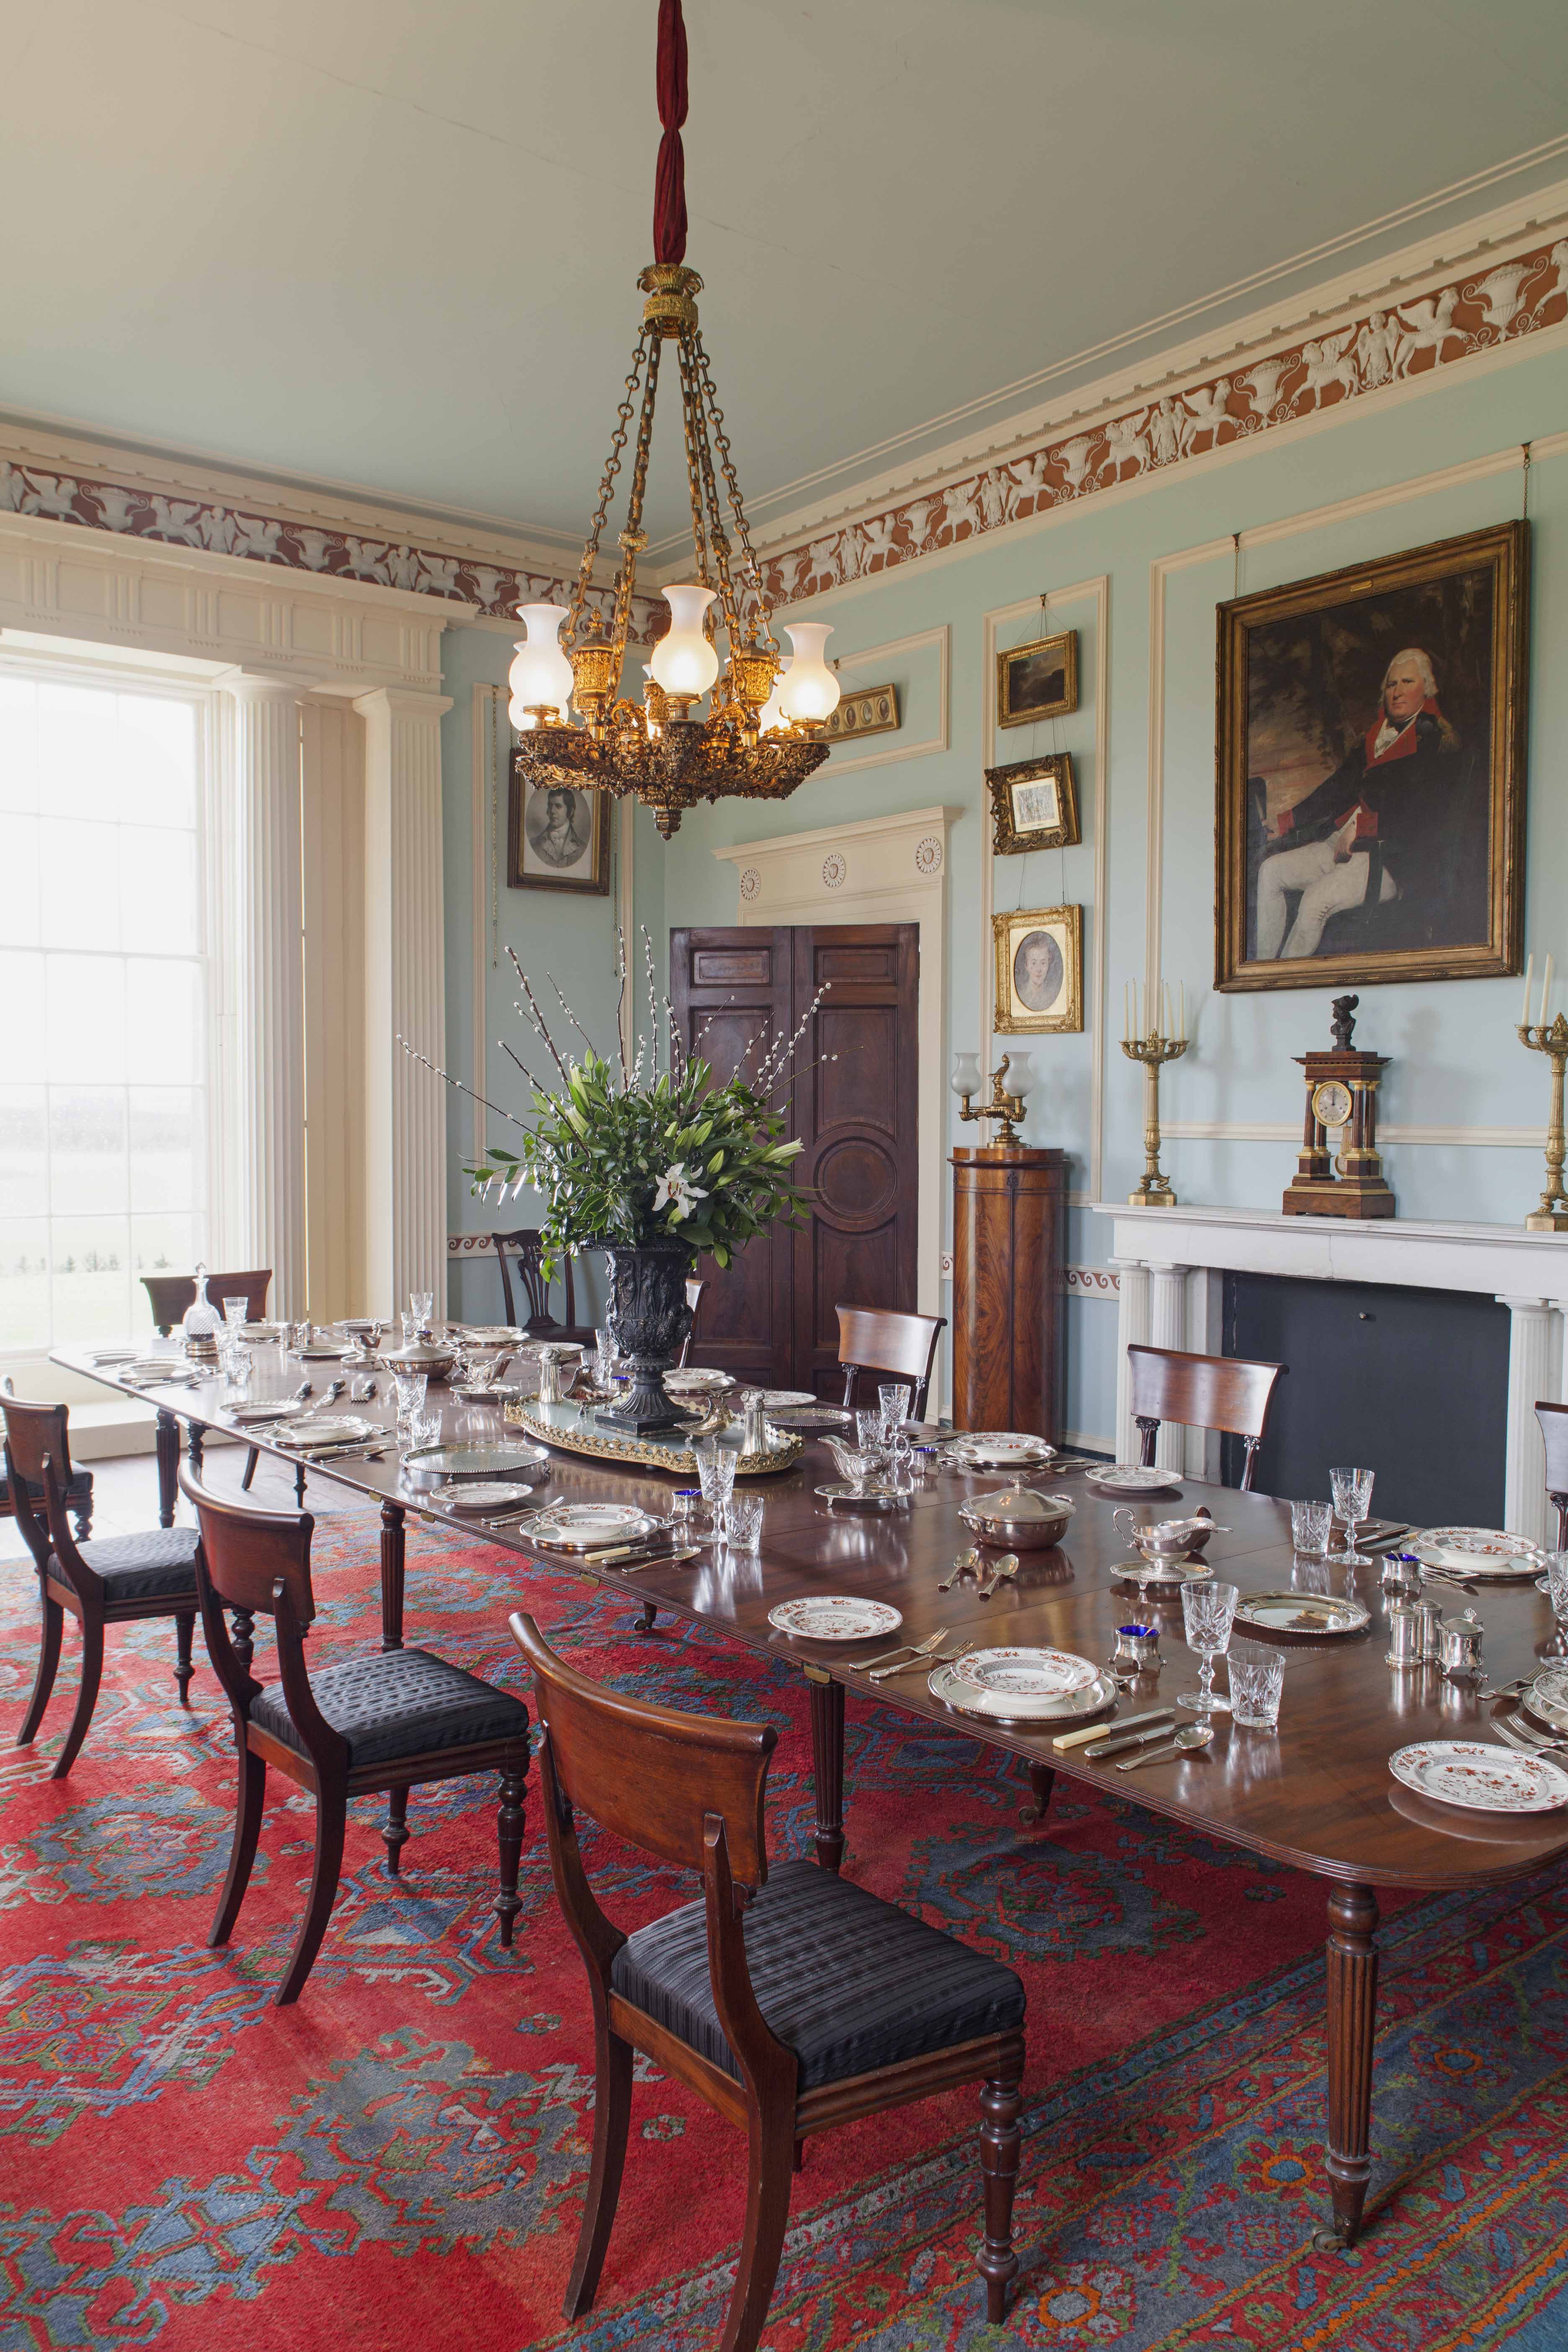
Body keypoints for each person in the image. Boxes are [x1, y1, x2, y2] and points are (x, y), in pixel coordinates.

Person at [1253, 647, 1460, 961]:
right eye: (1392, 685)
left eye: (1408, 682)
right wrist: (1286, 822)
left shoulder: (1433, 739)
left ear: (1426, 689)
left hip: (1388, 859)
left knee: (1314, 901)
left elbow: (1420, 814)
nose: (1398, 692)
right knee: (1271, 871)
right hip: (1340, 846)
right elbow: (1337, 788)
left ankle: (1283, 981)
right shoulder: (1375, 737)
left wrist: (1363, 830)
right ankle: (1263, 971)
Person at [528, 786, 589, 870]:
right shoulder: (534, 844)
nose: (552, 811)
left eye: (558, 806)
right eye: (550, 806)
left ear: (570, 812)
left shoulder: (582, 849)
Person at [1013, 929, 1063, 1013]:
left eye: (1043, 963)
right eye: (1034, 963)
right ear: (1027, 966)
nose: (1039, 969)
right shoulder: (1022, 995)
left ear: (1048, 964)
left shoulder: (1052, 997)